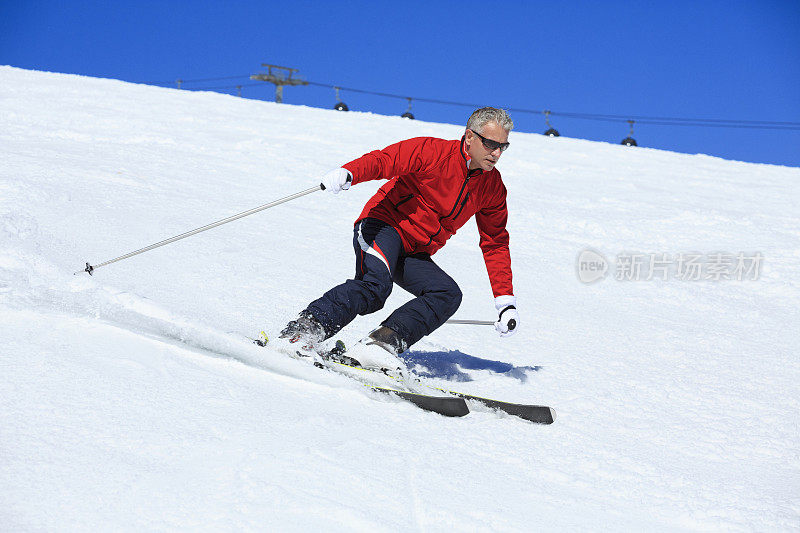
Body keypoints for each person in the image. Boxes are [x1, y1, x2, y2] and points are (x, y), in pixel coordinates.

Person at [279, 107, 519, 374]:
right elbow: (385, 160)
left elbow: (495, 242)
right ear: (469, 137)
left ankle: (378, 346)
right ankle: (301, 334)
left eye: (503, 146)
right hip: (382, 226)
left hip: (413, 251)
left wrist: (505, 300)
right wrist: (349, 172)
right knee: (375, 287)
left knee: (446, 294)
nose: (496, 153)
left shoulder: (493, 188)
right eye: (490, 144)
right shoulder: (433, 152)